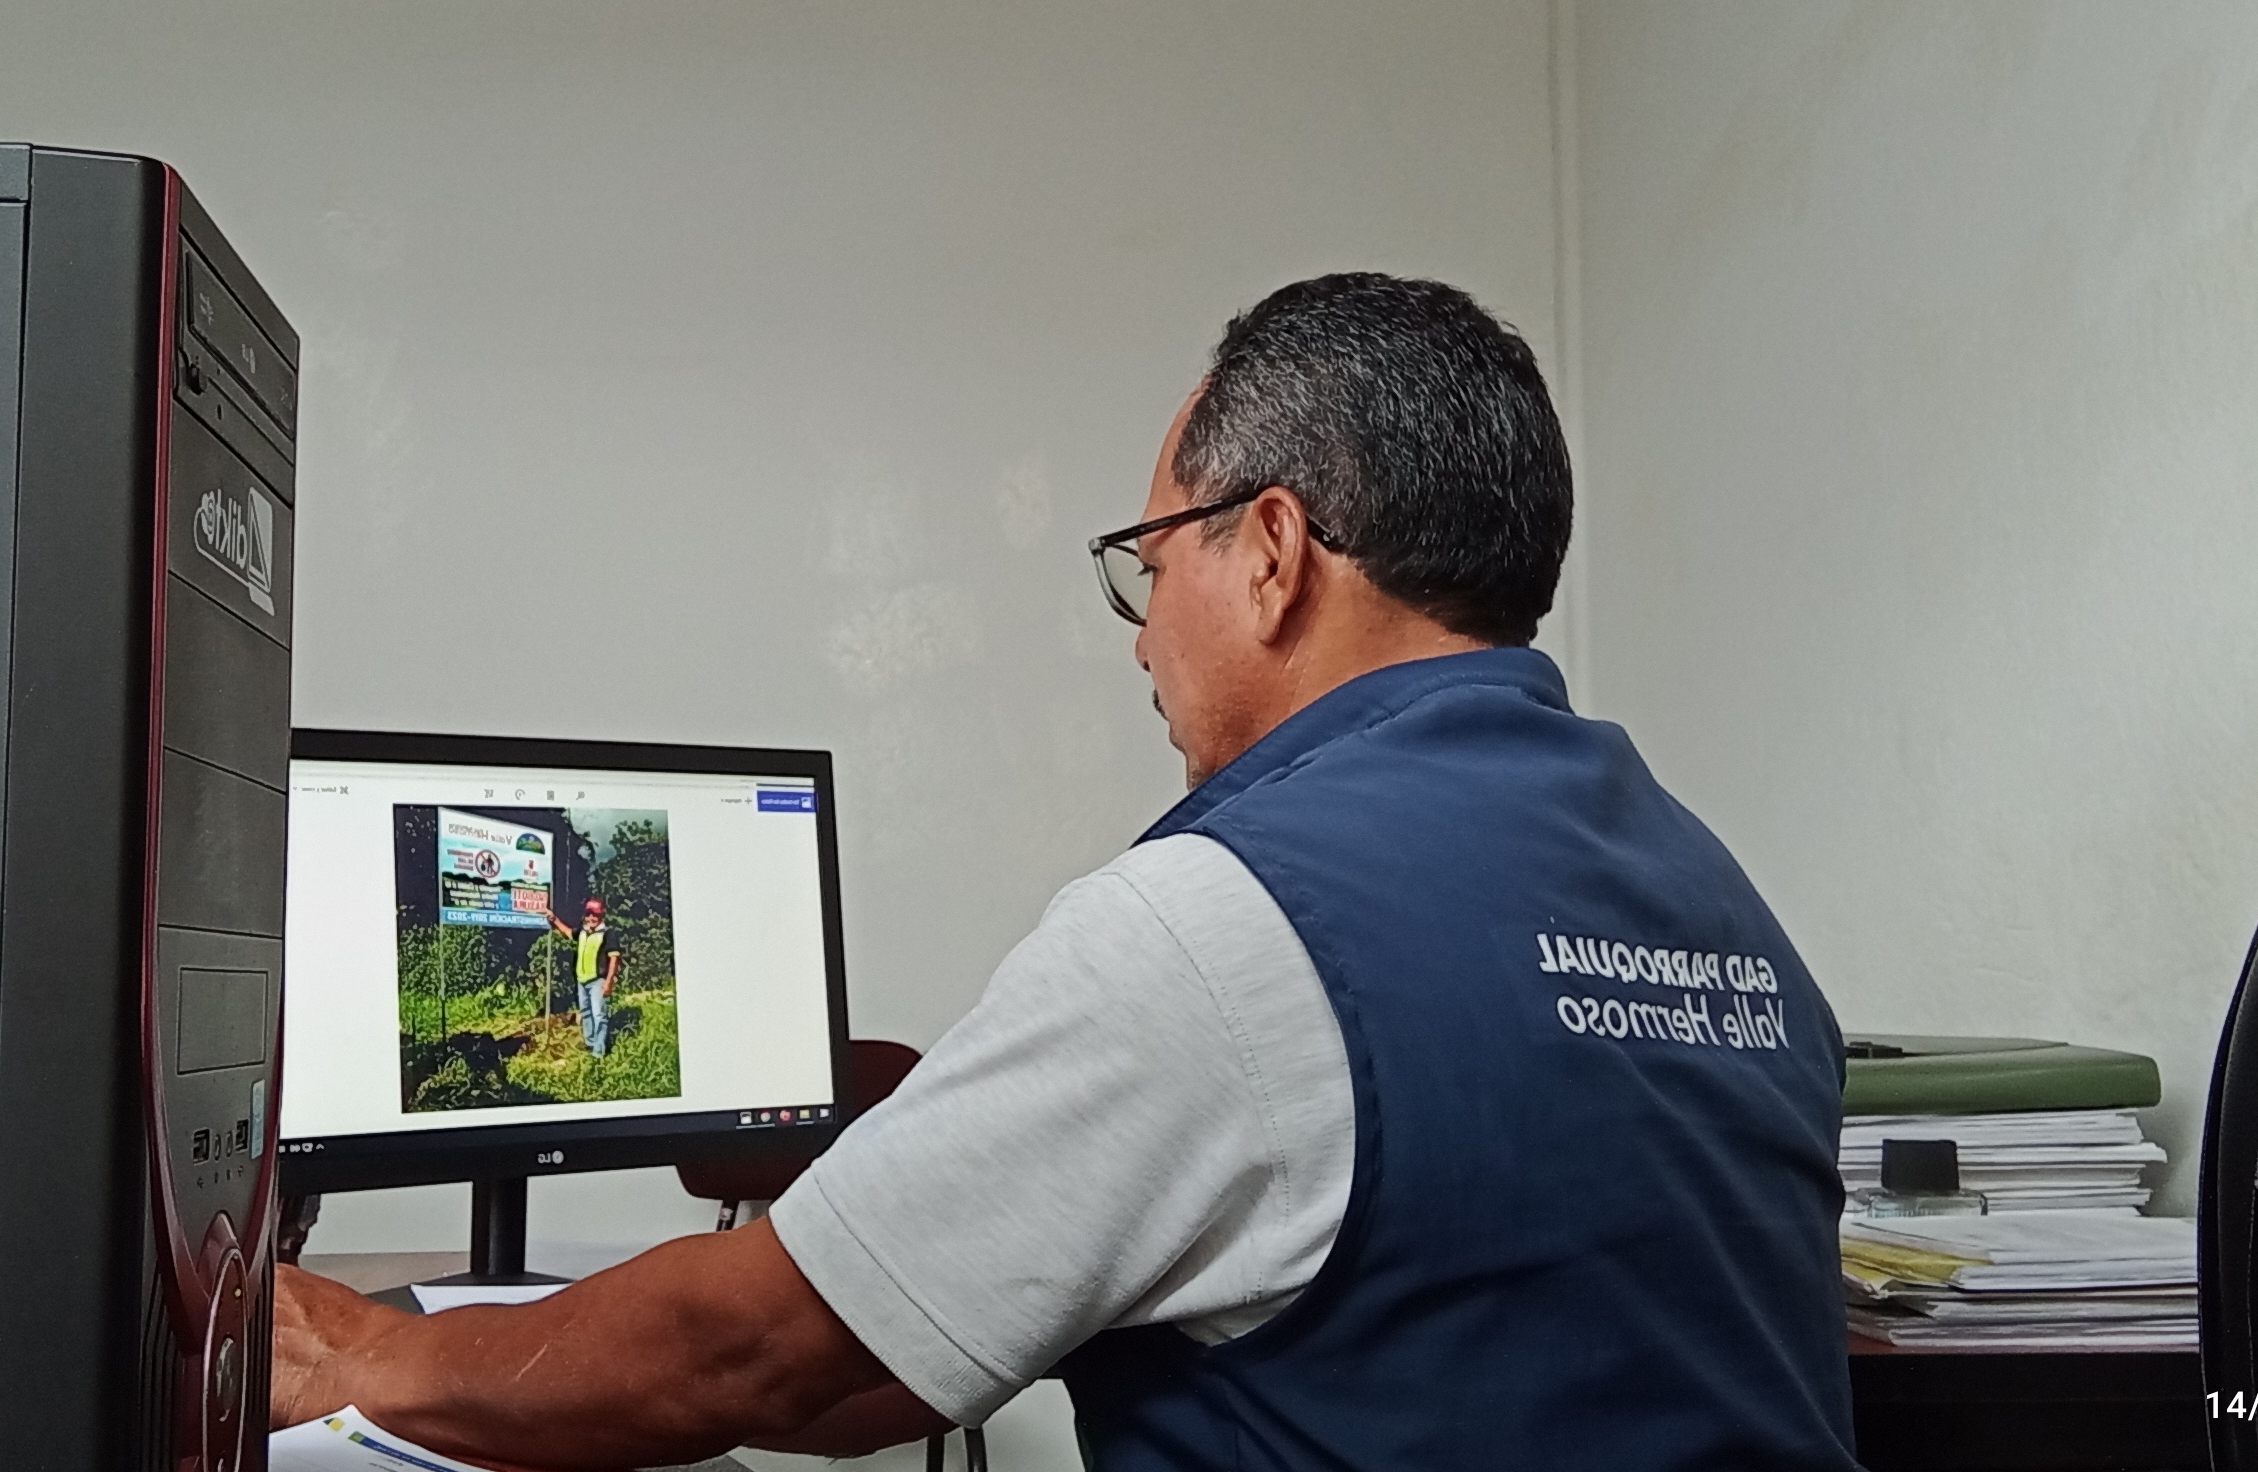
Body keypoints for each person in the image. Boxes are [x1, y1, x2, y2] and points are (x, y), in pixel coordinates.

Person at [269, 273, 1858, 1471]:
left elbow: (745, 1353)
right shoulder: (1715, 904)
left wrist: (367, 1358)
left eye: (1149, 568)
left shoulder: (1227, 928)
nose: (1144, 640)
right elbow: (862, 1355)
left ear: (1271, 552)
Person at [542, 897, 620, 1057]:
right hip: (581, 980)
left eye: (595, 915)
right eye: (589, 914)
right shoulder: (583, 931)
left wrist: (609, 981)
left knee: (599, 1015)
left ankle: (599, 1052)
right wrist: (554, 919)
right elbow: (568, 932)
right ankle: (590, 1043)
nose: (591, 918)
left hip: (598, 981)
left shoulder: (608, 933)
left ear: (601, 915)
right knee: (586, 1013)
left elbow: (614, 958)